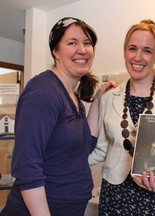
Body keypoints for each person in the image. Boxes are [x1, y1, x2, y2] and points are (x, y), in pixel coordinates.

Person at [0, 17, 114, 216]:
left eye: (87, 43)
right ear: (56, 51)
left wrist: (97, 101)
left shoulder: (73, 97)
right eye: (72, 42)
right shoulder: (44, 91)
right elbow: (27, 167)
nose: (82, 49)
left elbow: (86, 146)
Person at [88, 19, 155, 215]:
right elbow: (100, 150)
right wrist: (61, 163)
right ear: (125, 52)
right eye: (132, 48)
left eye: (147, 51)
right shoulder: (109, 98)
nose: (138, 57)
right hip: (114, 193)